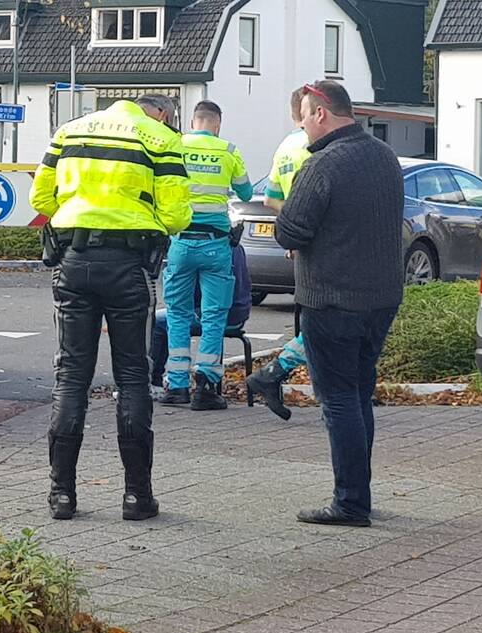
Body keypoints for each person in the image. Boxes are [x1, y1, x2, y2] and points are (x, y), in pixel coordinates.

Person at [29, 94, 191, 522]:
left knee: (71, 376)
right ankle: (137, 497)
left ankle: (61, 495)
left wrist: (82, 213)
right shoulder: (160, 139)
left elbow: (40, 199)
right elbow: (176, 216)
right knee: (133, 375)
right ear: (160, 113)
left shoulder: (69, 131)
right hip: (128, 265)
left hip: (73, 261)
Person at [275, 80, 403, 528]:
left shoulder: (322, 164)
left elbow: (289, 231)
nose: (303, 129)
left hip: (332, 298)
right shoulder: (385, 157)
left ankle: (350, 503)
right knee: (360, 394)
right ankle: (359, 493)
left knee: (339, 400)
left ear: (321, 113)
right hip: (381, 298)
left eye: (304, 119)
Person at [160, 101, 254, 410]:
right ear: (217, 124)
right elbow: (245, 193)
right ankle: (206, 387)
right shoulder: (228, 151)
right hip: (215, 245)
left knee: (177, 313)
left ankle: (176, 386)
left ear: (193, 122)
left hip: (181, 242)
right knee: (214, 315)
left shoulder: (176, 146)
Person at [247, 89, 314, 421]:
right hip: (320, 245)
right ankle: (274, 373)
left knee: (317, 321)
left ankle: (280, 376)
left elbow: (270, 199)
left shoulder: (285, 147)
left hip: (299, 246)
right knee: (322, 324)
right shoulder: (313, 146)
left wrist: (292, 227)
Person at [151, 243, 251, 390]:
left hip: (210, 314)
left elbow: (187, 299)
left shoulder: (193, 248)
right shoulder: (233, 246)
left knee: (159, 321)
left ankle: (155, 381)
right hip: (239, 312)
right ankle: (206, 383)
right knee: (209, 319)